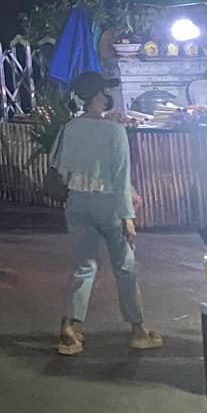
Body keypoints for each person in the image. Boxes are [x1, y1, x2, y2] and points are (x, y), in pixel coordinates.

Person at [52, 71, 162, 356]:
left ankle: (70, 326)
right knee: (125, 268)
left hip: (77, 203)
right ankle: (138, 330)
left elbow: (60, 167)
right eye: (103, 91)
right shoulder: (114, 131)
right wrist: (128, 218)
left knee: (84, 267)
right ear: (99, 95)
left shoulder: (70, 127)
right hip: (109, 204)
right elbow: (122, 176)